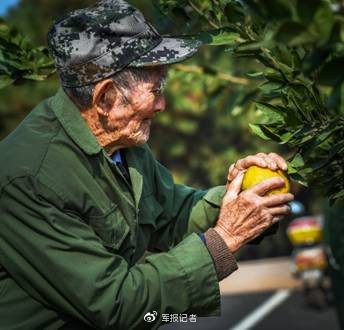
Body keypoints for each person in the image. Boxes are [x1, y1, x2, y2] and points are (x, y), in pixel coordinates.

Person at [0, 1, 294, 329]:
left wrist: (242, 198)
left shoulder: (123, 144)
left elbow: (174, 214)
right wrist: (223, 240)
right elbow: (115, 304)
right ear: (105, 98)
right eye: (155, 90)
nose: (162, 105)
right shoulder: (29, 178)